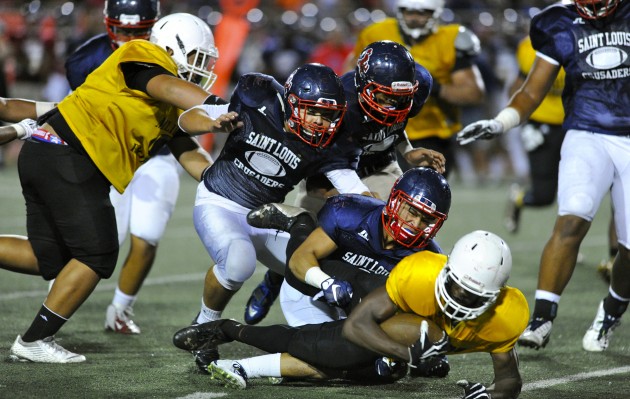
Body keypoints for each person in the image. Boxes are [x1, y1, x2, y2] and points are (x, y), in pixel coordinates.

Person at [1, 12, 239, 363]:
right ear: (174, 47)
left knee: (48, 256)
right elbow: (166, 86)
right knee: (97, 254)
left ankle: (36, 337)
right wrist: (218, 103)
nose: (200, 67)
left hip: (50, 153)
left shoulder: (166, 104)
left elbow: (188, 148)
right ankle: (35, 339)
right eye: (196, 57)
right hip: (70, 154)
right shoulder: (142, 53)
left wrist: (224, 182)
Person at [456, 0, 630, 352]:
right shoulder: (559, 21)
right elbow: (532, 90)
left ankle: (610, 312)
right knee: (572, 216)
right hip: (586, 133)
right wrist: (500, 122)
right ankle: (542, 317)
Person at [176, 62, 372, 372]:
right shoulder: (258, 98)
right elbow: (185, 120)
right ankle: (206, 326)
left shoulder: (330, 146)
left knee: (321, 266)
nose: (322, 122)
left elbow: (356, 191)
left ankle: (340, 336)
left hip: (266, 217)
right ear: (292, 102)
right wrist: (213, 125)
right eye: (314, 112)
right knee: (238, 261)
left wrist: (381, 208)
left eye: (329, 115)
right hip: (220, 202)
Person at [172, 230, 527, 399]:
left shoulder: (507, 315)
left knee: (359, 375)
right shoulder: (420, 274)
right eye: (457, 286)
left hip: (407, 340)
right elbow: (359, 326)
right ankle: (229, 329)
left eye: (475, 294)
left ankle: (246, 362)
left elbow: (510, 381)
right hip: (379, 310)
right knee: (327, 348)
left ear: (495, 296)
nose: (460, 298)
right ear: (446, 270)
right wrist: (408, 355)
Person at [244, 40, 446, 326]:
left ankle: (379, 298)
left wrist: (406, 151)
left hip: (378, 165)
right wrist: (353, 198)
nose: (392, 105)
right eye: (384, 97)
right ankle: (276, 277)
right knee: (310, 232)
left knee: (395, 229)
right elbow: (320, 170)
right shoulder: (338, 104)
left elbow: (394, 123)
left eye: (399, 98)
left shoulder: (413, 87)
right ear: (363, 86)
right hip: (328, 170)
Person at [64, 0, 218, 335]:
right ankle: (58, 295)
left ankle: (120, 308)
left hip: (160, 152)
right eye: (122, 30)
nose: (128, 37)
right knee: (105, 237)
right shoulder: (85, 59)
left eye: (138, 31)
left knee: (146, 237)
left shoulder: (171, 53)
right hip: (115, 153)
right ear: (108, 24)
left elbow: (181, 115)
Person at [344, 0, 485, 178]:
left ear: (436, 13)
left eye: (422, 13)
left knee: (423, 198)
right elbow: (351, 74)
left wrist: (433, 87)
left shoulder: (450, 38)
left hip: (432, 132)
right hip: (380, 130)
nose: (414, 18)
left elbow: (474, 93)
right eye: (408, 12)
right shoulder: (376, 32)